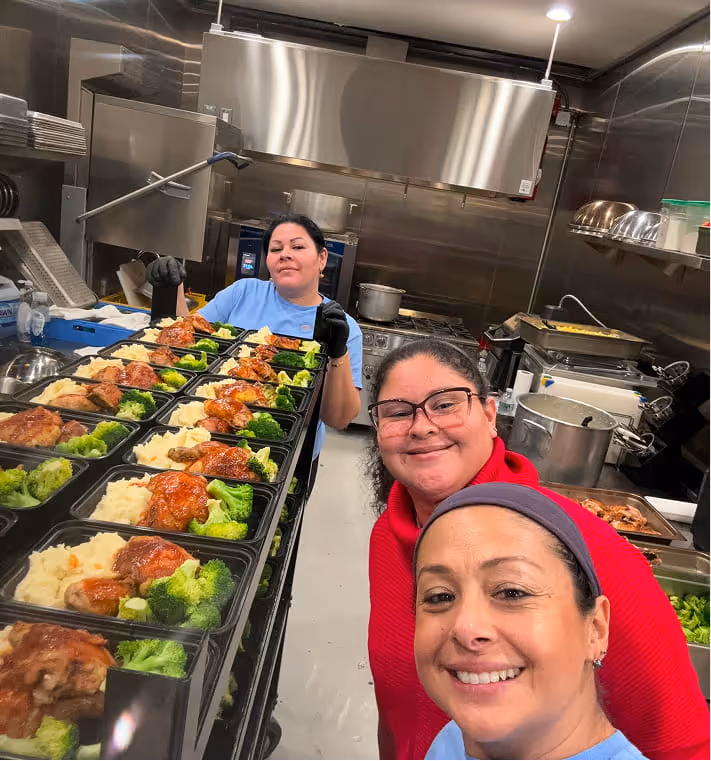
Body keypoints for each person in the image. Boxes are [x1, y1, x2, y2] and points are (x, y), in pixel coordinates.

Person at [366, 338, 709, 761]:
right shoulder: (389, 534)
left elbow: (680, 743)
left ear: (491, 415)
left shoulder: (593, 554)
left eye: (446, 404)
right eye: (398, 412)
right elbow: (401, 707)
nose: (421, 426)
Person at [414, 482, 645, 760]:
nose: (466, 628)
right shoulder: (452, 741)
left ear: (595, 630)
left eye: (512, 592)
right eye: (440, 596)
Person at [147, 214, 363, 477]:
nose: (285, 254)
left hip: (287, 457)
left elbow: (339, 419)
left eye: (297, 246)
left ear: (322, 259)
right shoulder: (243, 292)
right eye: (276, 249)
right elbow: (186, 337)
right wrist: (172, 287)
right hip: (210, 437)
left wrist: (337, 352)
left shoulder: (341, 325)